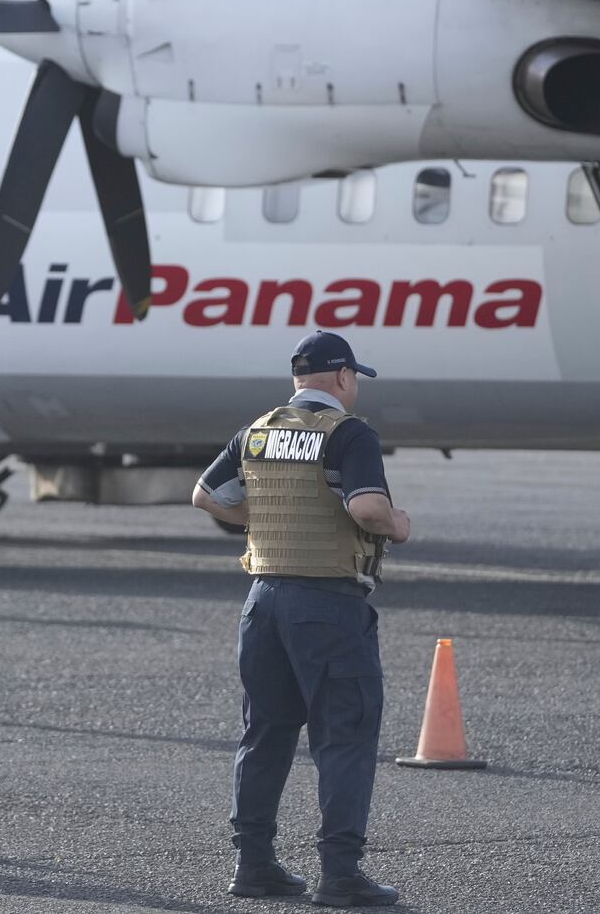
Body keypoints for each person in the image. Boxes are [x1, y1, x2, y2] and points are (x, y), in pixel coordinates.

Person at [191, 331, 410, 908]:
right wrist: (399, 523)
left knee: (265, 734)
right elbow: (365, 506)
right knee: (344, 739)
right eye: (354, 377)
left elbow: (205, 495)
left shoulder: (257, 431)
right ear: (342, 378)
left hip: (263, 600)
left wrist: (255, 519)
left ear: (298, 378)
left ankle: (253, 865)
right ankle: (340, 874)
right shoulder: (349, 433)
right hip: (328, 604)